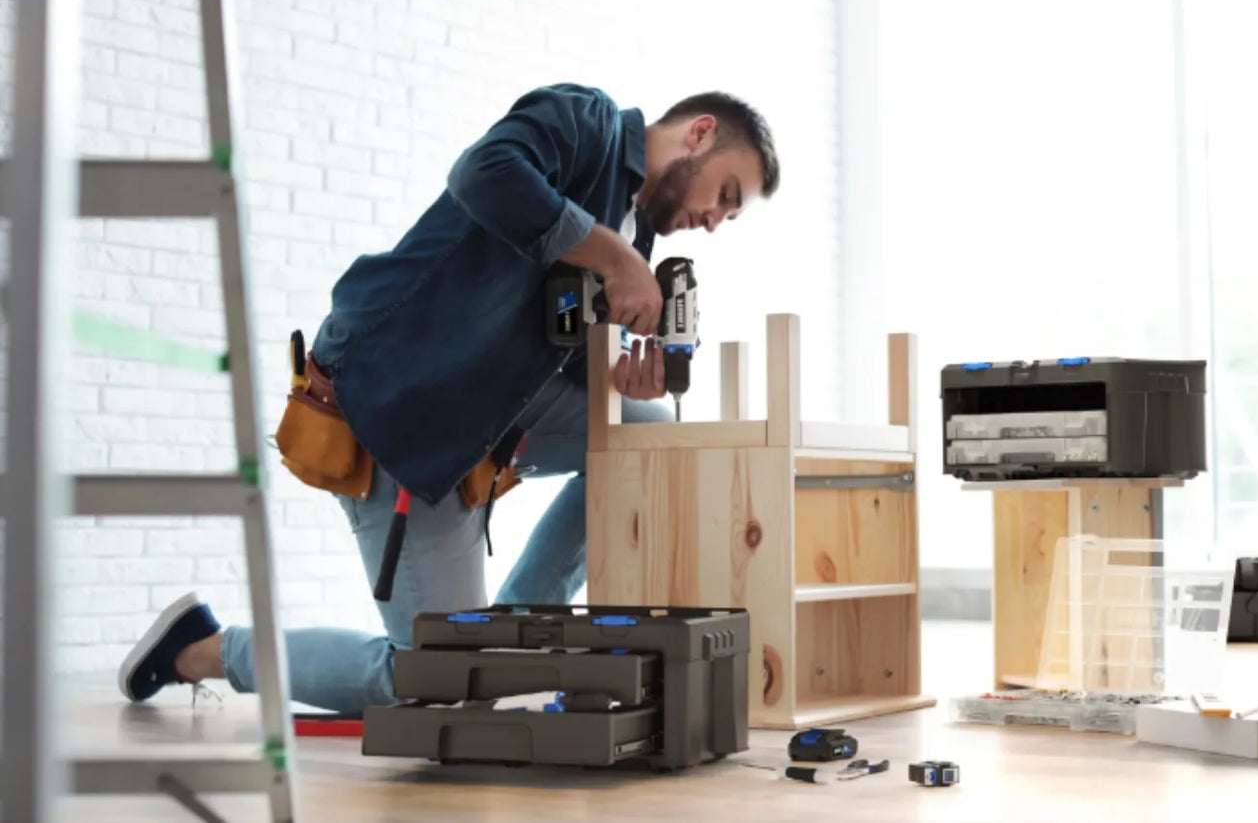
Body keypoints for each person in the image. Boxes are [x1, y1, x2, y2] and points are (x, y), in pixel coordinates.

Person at [115, 83, 781, 713]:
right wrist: (613, 257)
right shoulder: (586, 123)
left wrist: (619, 378)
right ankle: (199, 650)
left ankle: (508, 637)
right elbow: (483, 173)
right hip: (397, 406)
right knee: (436, 683)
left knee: (648, 440)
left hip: (480, 424)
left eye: (730, 214)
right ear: (698, 133)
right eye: (725, 194)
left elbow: (546, 352)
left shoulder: (635, 235)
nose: (716, 221)